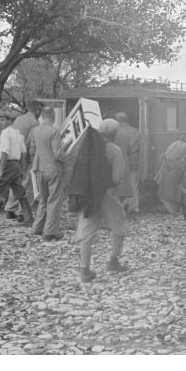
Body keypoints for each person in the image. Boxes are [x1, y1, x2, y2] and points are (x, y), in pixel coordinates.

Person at [73, 118, 129, 283]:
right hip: (107, 194)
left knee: (86, 232)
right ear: (114, 133)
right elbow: (117, 176)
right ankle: (113, 260)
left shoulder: (86, 148)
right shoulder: (114, 150)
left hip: (88, 194)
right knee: (119, 225)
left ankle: (84, 269)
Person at [30, 106, 68, 241]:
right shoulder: (54, 131)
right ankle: (50, 232)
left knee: (43, 199)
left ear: (42, 116)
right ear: (53, 115)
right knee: (54, 201)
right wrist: (68, 156)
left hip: (39, 168)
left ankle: (37, 228)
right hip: (53, 169)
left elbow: (33, 151)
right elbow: (58, 154)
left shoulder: (35, 130)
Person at [4, 99, 44, 221]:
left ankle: (10, 209)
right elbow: (33, 143)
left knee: (17, 183)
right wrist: (36, 157)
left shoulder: (19, 119)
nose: (40, 113)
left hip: (13, 154)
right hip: (25, 155)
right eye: (40, 111)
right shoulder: (34, 122)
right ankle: (21, 212)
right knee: (27, 182)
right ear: (37, 110)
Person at [114, 111, 140, 214]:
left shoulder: (117, 132)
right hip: (133, 161)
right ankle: (134, 207)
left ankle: (119, 206)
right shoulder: (136, 131)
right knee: (134, 184)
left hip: (120, 161)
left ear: (117, 121)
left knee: (119, 184)